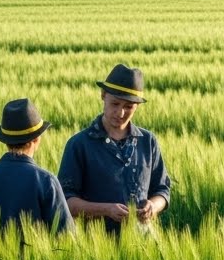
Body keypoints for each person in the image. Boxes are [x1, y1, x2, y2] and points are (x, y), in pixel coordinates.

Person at [57, 63, 172, 232]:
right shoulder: (79, 144)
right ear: (103, 95)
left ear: (137, 106)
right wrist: (106, 210)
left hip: (143, 241)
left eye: (128, 107)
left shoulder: (148, 141)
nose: (120, 113)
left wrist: (153, 206)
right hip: (94, 243)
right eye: (115, 104)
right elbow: (66, 201)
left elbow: (162, 190)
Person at [0, 98, 74, 235]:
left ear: (5, 141)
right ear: (37, 139)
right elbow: (66, 237)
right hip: (36, 256)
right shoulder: (46, 181)